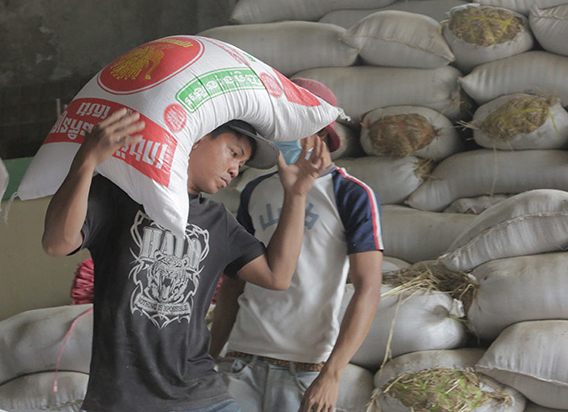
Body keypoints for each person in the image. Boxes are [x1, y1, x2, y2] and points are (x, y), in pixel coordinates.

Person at [42, 107, 327, 412]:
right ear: (197, 138)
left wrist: (296, 195)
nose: (234, 170)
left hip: (202, 395)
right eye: (233, 153)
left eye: (241, 164)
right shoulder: (119, 195)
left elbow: (277, 275)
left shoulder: (218, 221)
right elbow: (57, 243)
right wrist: (87, 160)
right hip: (121, 401)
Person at [210, 78, 384, 412]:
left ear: (320, 134)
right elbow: (234, 280)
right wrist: (212, 354)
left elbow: (368, 288)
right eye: (277, 126)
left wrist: (331, 376)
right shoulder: (255, 190)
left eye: (292, 125)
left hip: (304, 370)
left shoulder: (351, 194)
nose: (281, 135)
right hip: (240, 361)